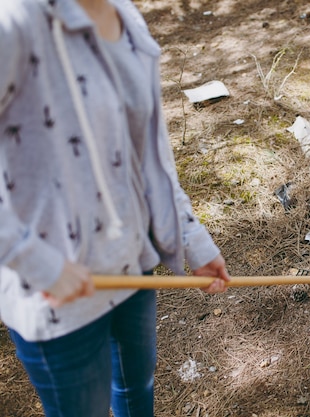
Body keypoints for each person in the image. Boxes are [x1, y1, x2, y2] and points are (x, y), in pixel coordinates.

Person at [0, 0, 230, 415]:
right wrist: (35, 261)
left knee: (135, 391)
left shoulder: (126, 16)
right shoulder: (14, 21)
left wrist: (193, 239)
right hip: (57, 300)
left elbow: (150, 156)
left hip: (130, 264)